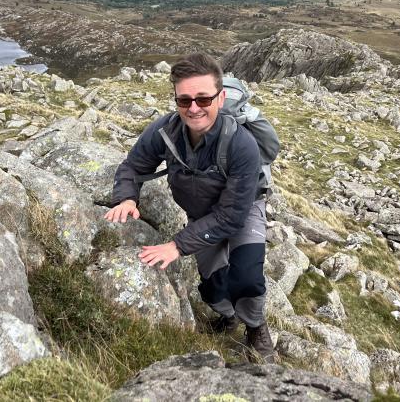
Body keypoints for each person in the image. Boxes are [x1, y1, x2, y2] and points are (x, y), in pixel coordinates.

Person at [103, 53, 275, 362]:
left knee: (246, 277)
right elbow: (133, 166)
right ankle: (227, 316)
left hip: (242, 210)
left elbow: (231, 216)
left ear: (220, 98)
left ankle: (255, 327)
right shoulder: (165, 131)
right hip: (202, 214)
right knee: (212, 287)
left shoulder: (241, 144)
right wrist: (127, 198)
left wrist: (177, 245)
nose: (194, 108)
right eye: (184, 100)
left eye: (203, 99)